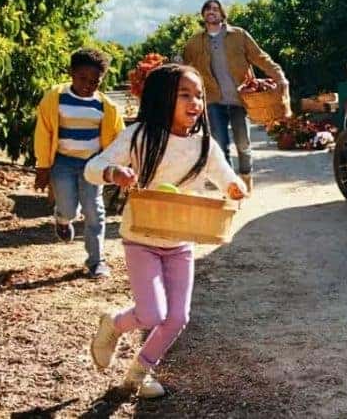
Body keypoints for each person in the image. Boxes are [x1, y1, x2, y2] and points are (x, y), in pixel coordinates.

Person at [83, 64, 247, 398]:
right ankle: (113, 325)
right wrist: (114, 173)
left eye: (199, 95)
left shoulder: (204, 144)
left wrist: (235, 187)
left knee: (176, 318)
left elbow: (226, 177)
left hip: (181, 242)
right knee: (151, 313)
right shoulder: (140, 135)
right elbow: (92, 168)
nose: (195, 102)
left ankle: (138, 374)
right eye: (184, 94)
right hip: (141, 238)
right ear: (162, 98)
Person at [34, 48, 125, 278]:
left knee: (94, 210)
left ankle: (97, 261)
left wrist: (118, 167)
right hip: (63, 163)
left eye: (94, 82)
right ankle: (63, 219)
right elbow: (43, 133)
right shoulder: (55, 98)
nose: (88, 85)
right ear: (71, 73)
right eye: (82, 78)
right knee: (68, 208)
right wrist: (42, 166)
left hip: (93, 165)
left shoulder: (106, 107)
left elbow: (119, 139)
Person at [182, 0, 287, 191]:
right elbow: (183, 65)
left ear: (222, 14)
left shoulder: (238, 35)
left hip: (241, 98)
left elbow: (260, 57)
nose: (211, 12)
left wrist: (279, 76)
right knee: (221, 144)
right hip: (213, 100)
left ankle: (246, 175)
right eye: (207, 9)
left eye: (215, 9)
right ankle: (231, 186)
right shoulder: (195, 42)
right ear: (203, 15)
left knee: (243, 143)